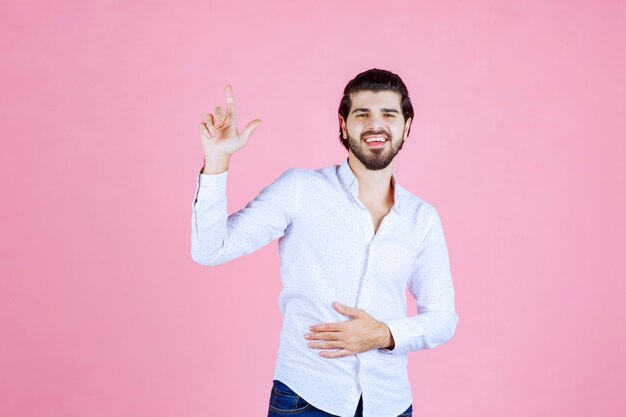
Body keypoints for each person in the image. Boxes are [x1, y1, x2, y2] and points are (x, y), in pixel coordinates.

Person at [191, 69, 459, 417]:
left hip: (390, 403)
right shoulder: (300, 189)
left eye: (388, 115)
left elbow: (442, 318)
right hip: (307, 397)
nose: (375, 125)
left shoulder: (422, 218)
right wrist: (217, 161)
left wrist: (383, 334)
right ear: (343, 125)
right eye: (362, 114)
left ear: (406, 126)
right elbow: (210, 249)